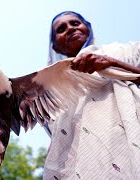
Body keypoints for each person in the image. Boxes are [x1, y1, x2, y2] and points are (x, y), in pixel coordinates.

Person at [44, 11, 140, 179]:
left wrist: (111, 63)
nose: (70, 29)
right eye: (61, 29)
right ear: (55, 47)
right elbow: (58, 139)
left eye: (75, 23)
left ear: (87, 28)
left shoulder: (125, 51)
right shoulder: (49, 91)